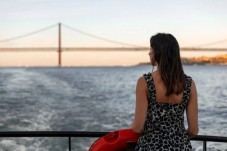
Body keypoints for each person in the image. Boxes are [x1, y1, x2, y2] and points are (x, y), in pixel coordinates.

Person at [130, 33, 198, 150]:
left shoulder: (144, 82)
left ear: (158, 52)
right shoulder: (189, 84)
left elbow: (137, 128)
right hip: (181, 147)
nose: (149, 53)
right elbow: (193, 130)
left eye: (151, 49)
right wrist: (176, 137)